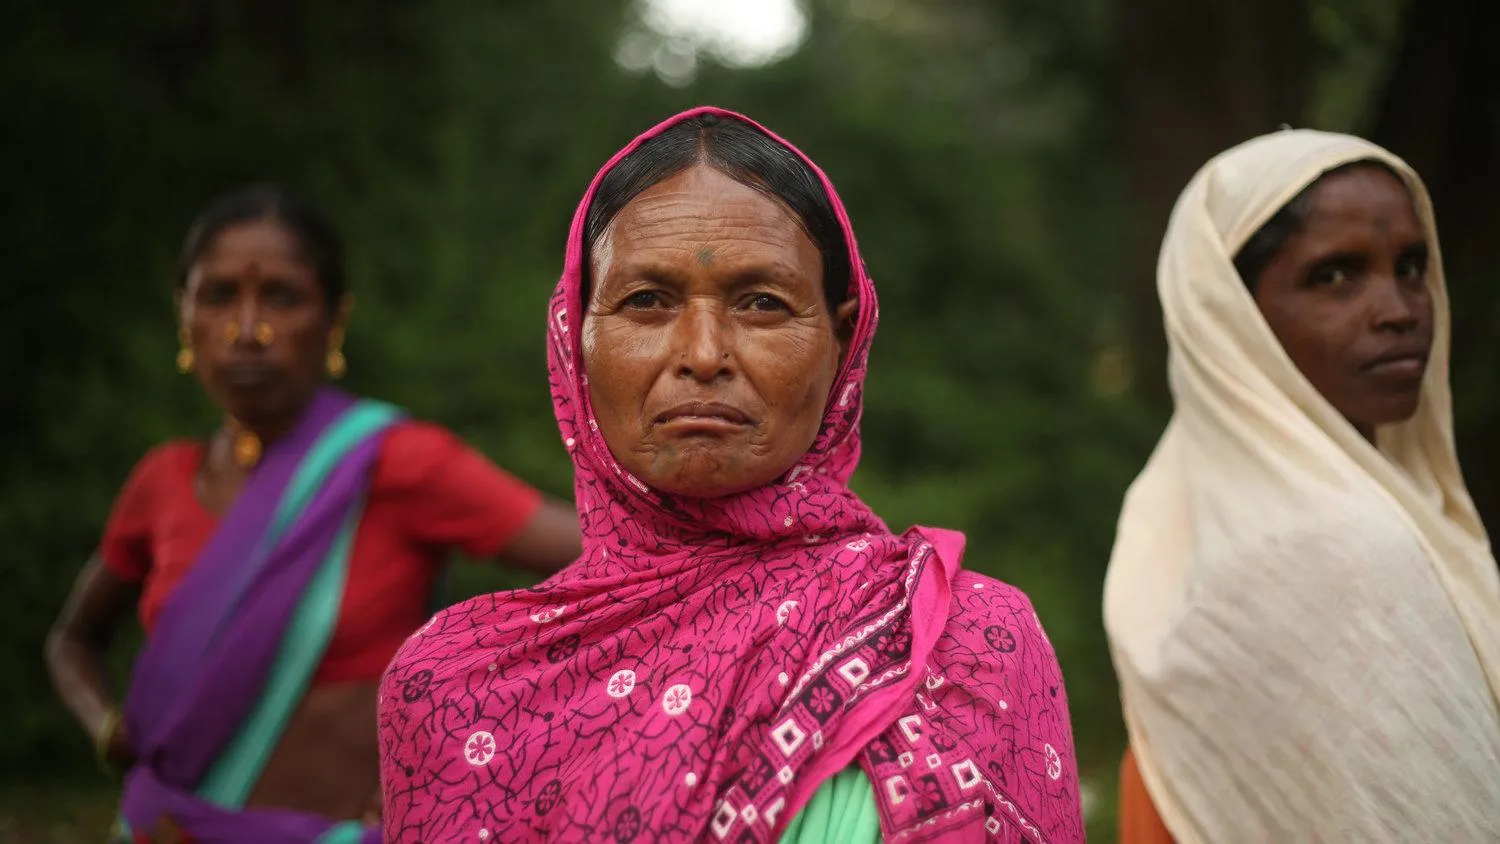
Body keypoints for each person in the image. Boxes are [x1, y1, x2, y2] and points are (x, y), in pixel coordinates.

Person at [376, 107, 1087, 843]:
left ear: (842, 341)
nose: (704, 352)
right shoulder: (457, 687)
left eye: (762, 304)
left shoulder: (967, 639)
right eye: (647, 301)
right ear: (575, 335)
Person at [45, 184, 582, 843]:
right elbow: (72, 641)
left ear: (334, 321)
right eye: (218, 296)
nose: (248, 330)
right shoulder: (161, 479)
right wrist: (108, 727)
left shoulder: (397, 463)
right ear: (184, 318)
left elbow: (612, 553)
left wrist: (467, 734)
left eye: (282, 296)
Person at [1104, 129, 1500, 842]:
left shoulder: (1164, 530)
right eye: (1336, 275)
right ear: (1228, 317)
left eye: (1412, 268)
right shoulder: (1342, 547)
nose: (1400, 309)